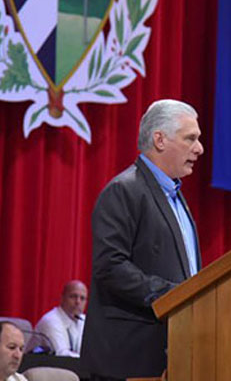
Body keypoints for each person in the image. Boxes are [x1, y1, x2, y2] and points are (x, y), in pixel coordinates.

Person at [81, 99, 204, 381]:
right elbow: (110, 267)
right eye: (191, 138)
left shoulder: (176, 198)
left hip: (171, 356)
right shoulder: (124, 190)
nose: (199, 149)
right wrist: (176, 296)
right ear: (160, 139)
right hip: (127, 361)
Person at [34, 280, 87, 357]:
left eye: (82, 298)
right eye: (73, 296)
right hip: (41, 367)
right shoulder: (51, 320)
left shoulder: (83, 320)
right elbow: (61, 354)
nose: (78, 302)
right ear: (62, 298)